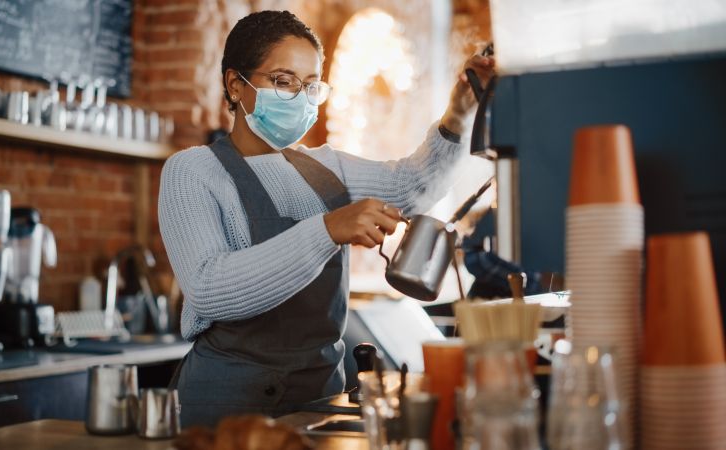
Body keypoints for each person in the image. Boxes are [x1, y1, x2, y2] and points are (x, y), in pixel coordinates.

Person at [158, 10, 495, 427]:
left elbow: (413, 188)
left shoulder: (327, 166)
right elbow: (210, 289)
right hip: (224, 407)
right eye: (283, 81)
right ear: (234, 84)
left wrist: (458, 116)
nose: (300, 98)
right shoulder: (192, 171)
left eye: (311, 86)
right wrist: (328, 229)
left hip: (317, 399)